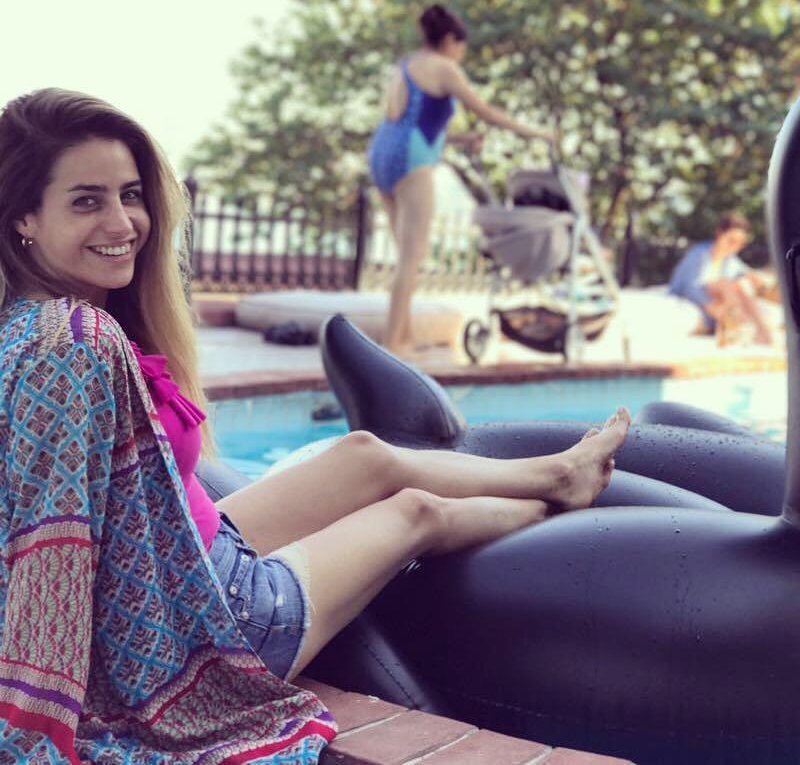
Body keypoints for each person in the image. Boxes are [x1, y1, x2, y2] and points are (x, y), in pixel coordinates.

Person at [0, 89, 629, 763]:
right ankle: (557, 502)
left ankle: (555, 472)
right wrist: (35, 722)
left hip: (184, 557)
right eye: (86, 201)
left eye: (130, 194)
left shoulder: (37, 322)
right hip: (218, 622)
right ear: (23, 218)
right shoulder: (73, 343)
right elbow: (50, 546)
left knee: (363, 453)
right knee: (415, 511)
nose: (123, 221)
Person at [368, 4, 555, 356]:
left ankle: (404, 339)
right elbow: (485, 111)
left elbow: (405, 121)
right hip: (411, 160)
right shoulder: (444, 67)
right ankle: (392, 347)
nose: (461, 55)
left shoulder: (406, 66)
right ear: (451, 40)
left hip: (382, 153)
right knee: (411, 258)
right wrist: (538, 133)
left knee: (404, 257)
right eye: (461, 47)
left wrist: (460, 140)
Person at [668, 212, 773, 345]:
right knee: (726, 284)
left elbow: (748, 273)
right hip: (698, 304)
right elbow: (690, 288)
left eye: (740, 243)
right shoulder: (699, 254)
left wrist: (757, 280)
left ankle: (763, 332)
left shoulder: (729, 260)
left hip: (721, 310)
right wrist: (713, 309)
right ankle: (742, 329)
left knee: (741, 285)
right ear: (719, 234)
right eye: (731, 240)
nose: (734, 246)